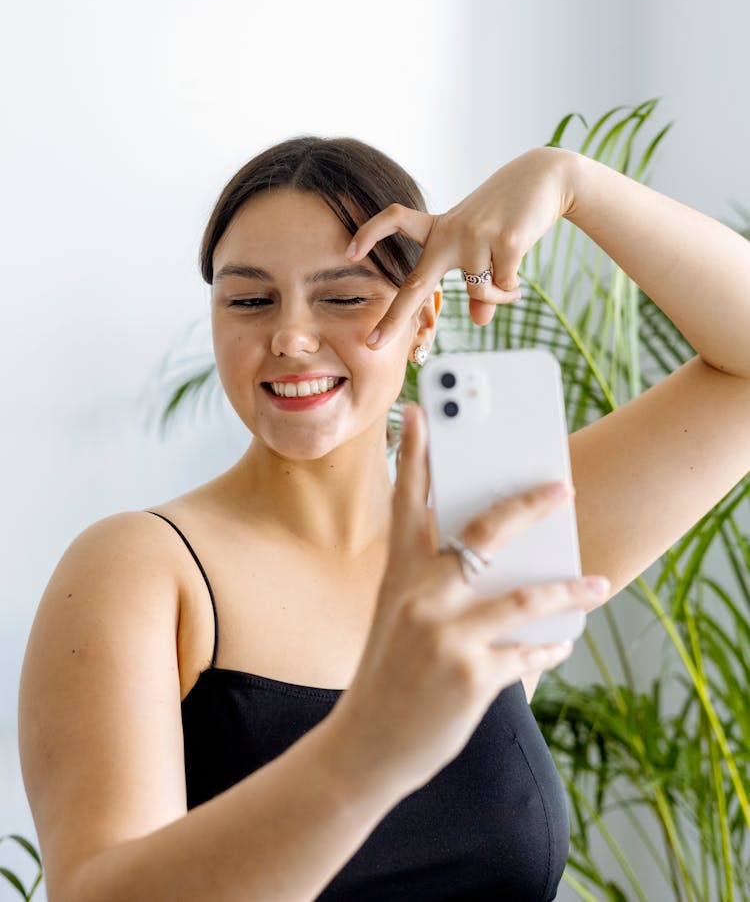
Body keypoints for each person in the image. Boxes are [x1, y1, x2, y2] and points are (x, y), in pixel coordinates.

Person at [18, 136, 750, 901]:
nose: (291, 337)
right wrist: (369, 746)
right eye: (249, 299)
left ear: (424, 316)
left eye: (343, 296)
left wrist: (570, 180)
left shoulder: (495, 542)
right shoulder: (140, 569)